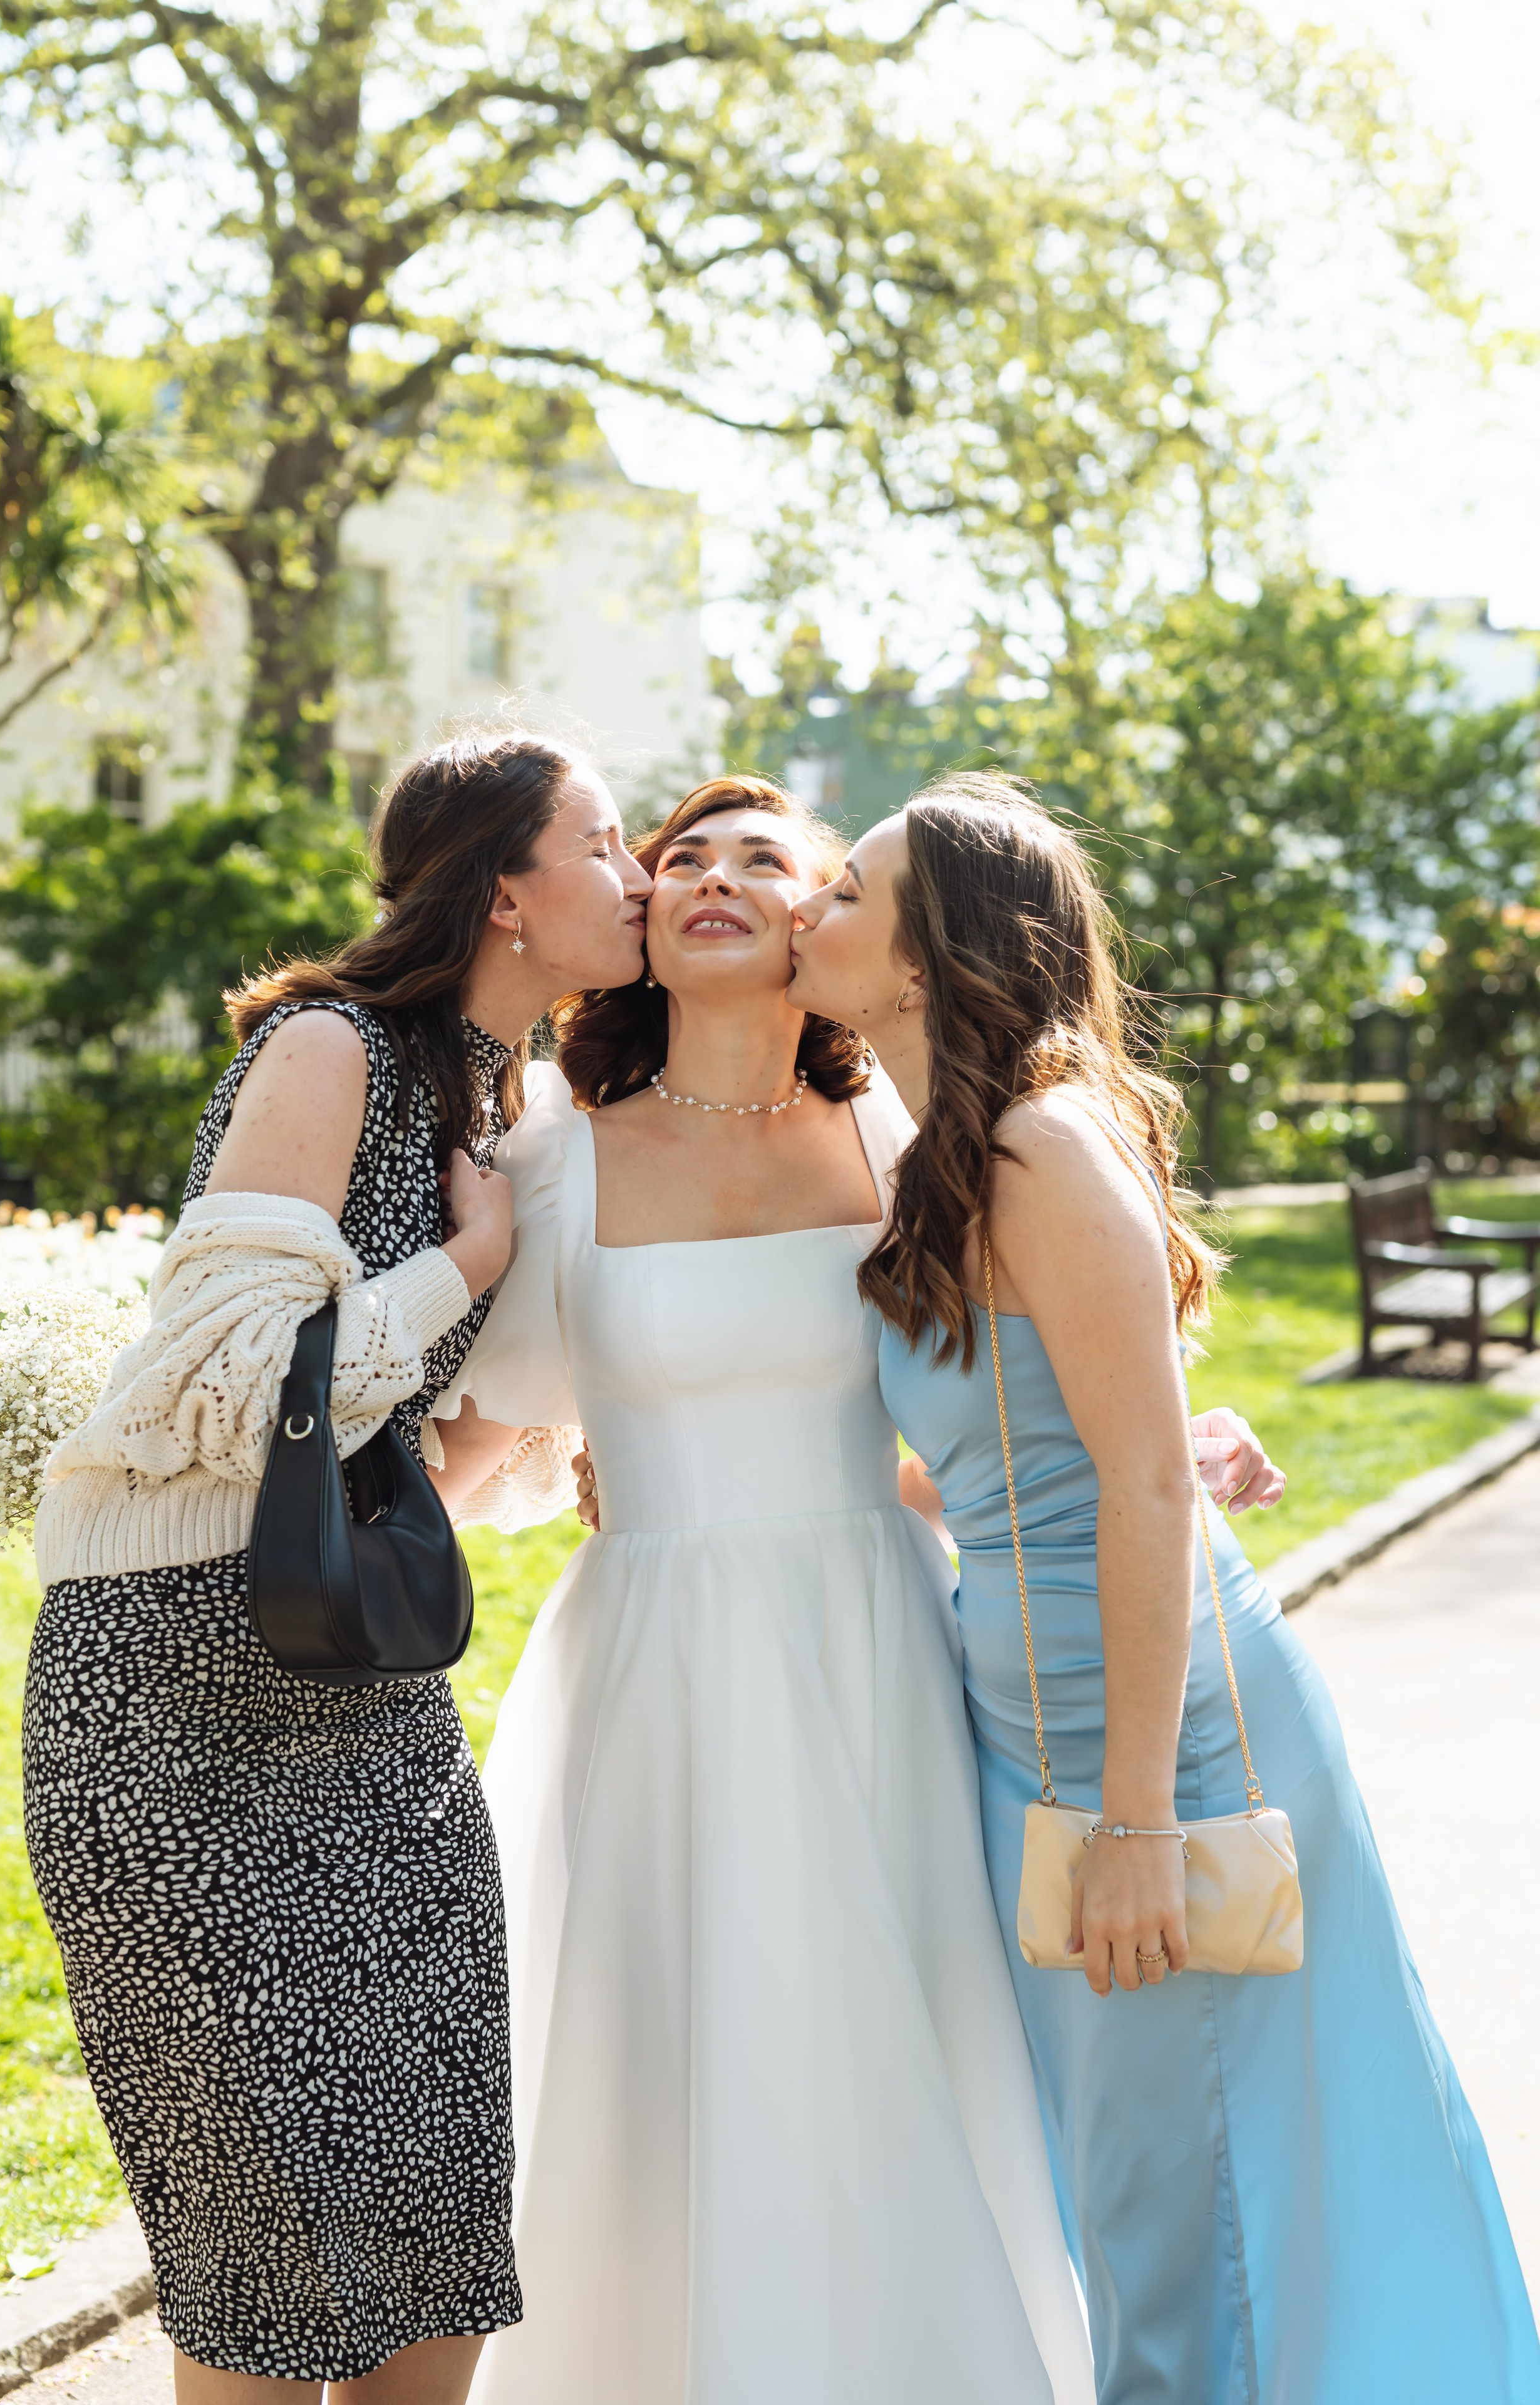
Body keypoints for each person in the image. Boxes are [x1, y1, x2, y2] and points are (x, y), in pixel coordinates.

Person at [437, 775, 1281, 2405]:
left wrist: (1172, 1435)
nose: (716, 878)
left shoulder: (898, 1139)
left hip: (879, 1649)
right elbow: (477, 1456)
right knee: (668, 2071)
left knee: (884, 2065)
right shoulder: (552, 1154)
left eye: (771, 861)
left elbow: (971, 1419)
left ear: (830, 925)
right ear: (645, 926)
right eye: (682, 858)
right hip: (653, 1675)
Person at [783, 772, 1540, 2405]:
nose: (807, 909)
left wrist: (1135, 1820)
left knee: (1183, 2196)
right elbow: (999, 1459)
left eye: (846, 889)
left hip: (1155, 1736)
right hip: (1043, 1720)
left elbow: (1131, 1485)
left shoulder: (1043, 1141)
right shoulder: (943, 1154)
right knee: (1144, 2191)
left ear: (923, 958)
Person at [23, 728, 651, 2403]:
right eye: (607, 843)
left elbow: (415, 1445)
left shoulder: (501, 1096)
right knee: (263, 2246)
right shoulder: (334, 1051)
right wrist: (467, 1266)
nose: (642, 875)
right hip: (168, 1687)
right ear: (509, 888)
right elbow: (232, 1395)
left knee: (438, 2198)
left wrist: (576, 1438)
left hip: (362, 1693)